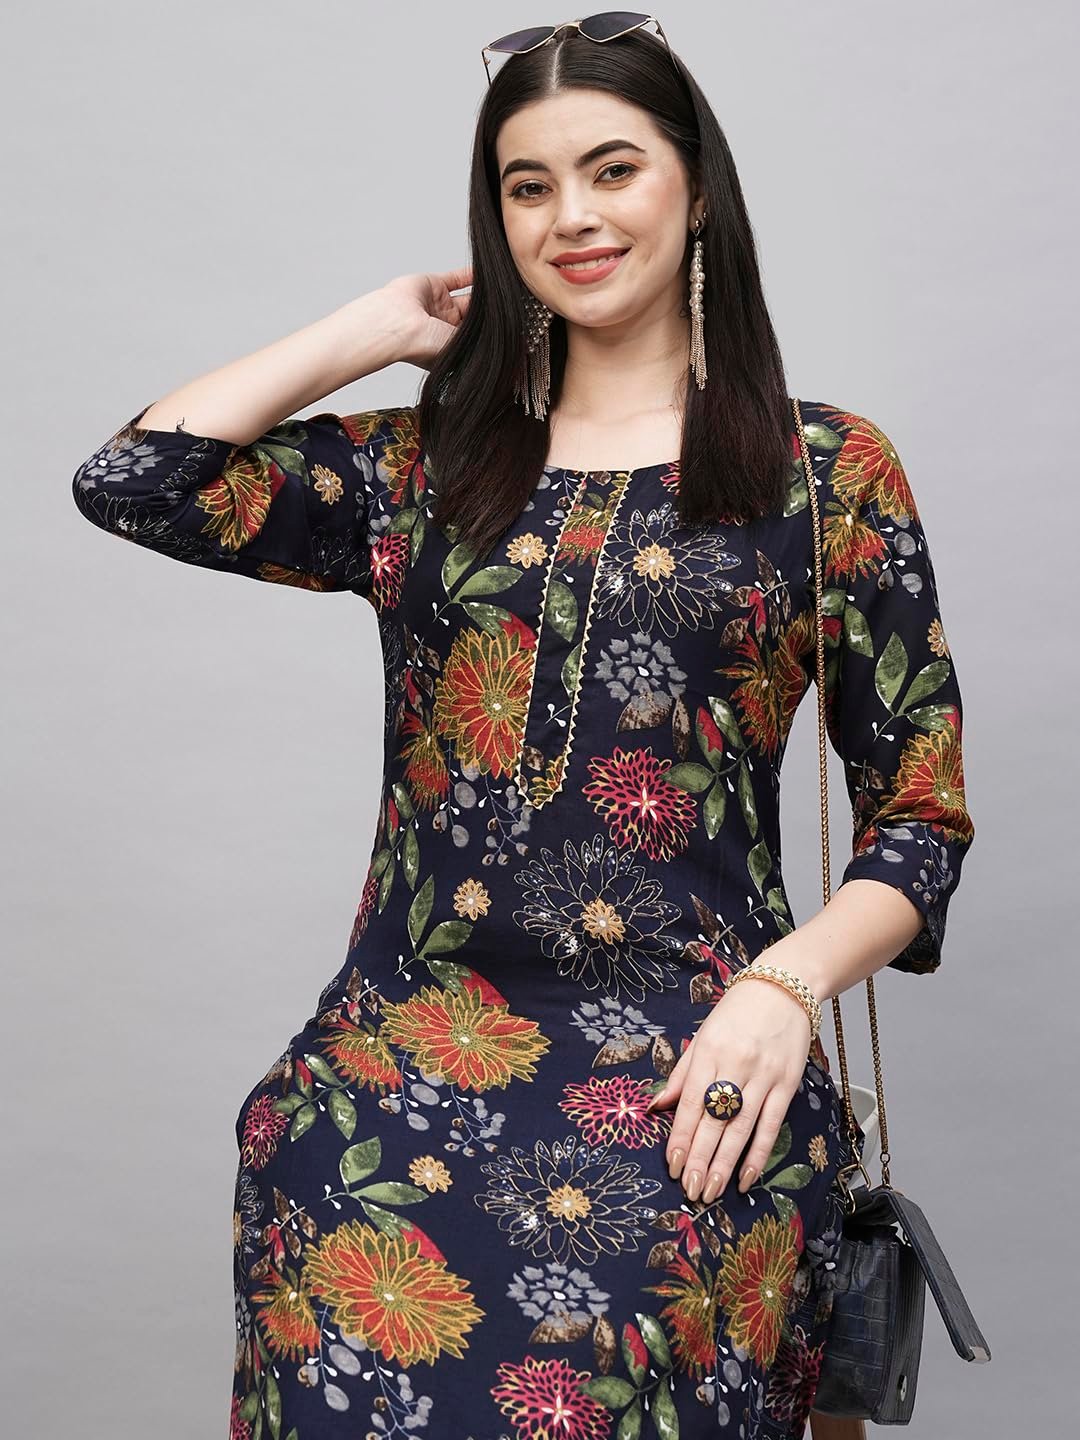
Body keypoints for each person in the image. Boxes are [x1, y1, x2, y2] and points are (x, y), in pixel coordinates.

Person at [70, 16, 973, 1440]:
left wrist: (783, 990)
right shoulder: (427, 467)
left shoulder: (824, 473)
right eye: (527, 187)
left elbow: (920, 824)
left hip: (697, 1071)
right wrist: (379, 328)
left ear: (697, 188)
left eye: (614, 170)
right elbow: (135, 480)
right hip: (391, 1071)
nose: (573, 218)